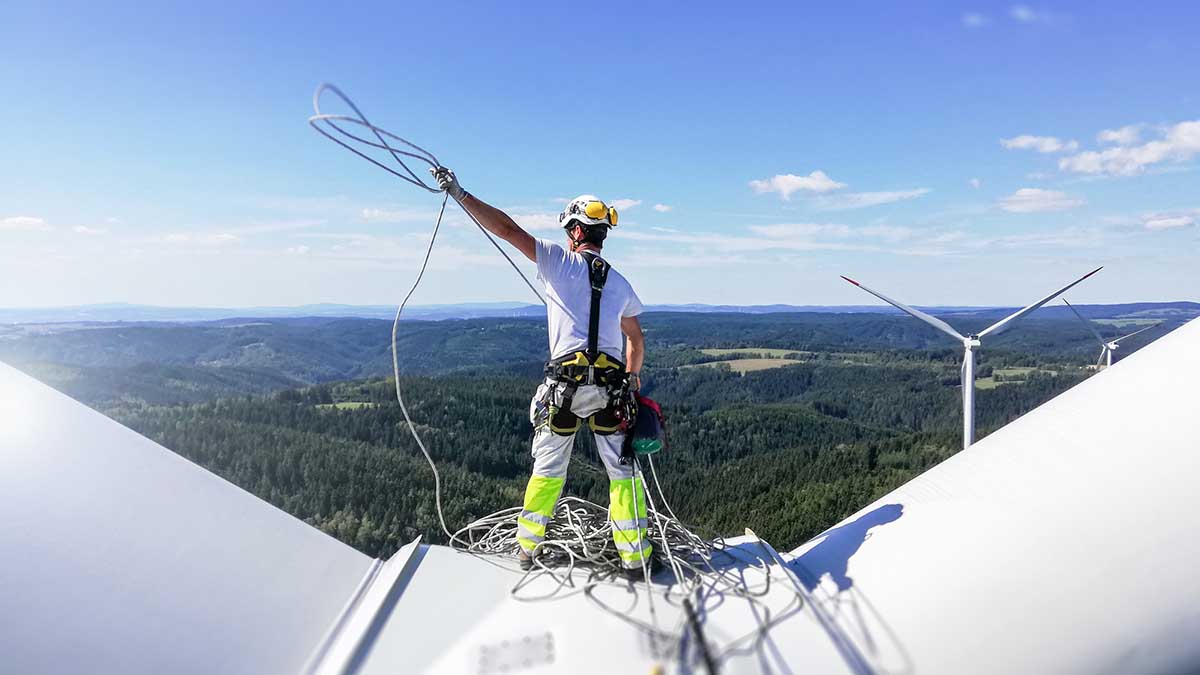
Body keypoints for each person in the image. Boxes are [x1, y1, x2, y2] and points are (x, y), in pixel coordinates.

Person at [432, 166, 657, 579]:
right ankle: (634, 557)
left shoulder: (559, 262)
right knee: (622, 474)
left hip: (564, 391)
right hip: (609, 391)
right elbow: (636, 341)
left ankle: (526, 549)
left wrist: (462, 195)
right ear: (601, 235)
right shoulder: (621, 283)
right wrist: (632, 379)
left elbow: (506, 229)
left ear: (574, 231)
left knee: (549, 471)